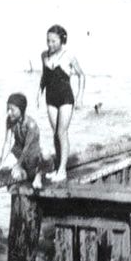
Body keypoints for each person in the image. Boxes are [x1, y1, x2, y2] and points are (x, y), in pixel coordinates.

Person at [37, 25, 84, 183]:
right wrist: (38, 93)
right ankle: (57, 168)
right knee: (55, 133)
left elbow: (81, 75)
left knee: (61, 133)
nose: (50, 44)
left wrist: (80, 97)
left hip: (65, 98)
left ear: (62, 40)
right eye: (48, 40)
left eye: (53, 41)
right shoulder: (44, 55)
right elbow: (44, 77)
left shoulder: (68, 55)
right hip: (50, 98)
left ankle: (62, 170)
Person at [1, 93, 44, 189]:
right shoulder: (10, 120)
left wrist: (17, 165)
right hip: (17, 154)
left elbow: (27, 148)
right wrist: (1, 162)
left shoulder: (31, 125)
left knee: (45, 154)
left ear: (22, 109)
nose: (9, 112)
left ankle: (39, 175)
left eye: (12, 110)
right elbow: (7, 142)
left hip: (32, 158)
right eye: (8, 109)